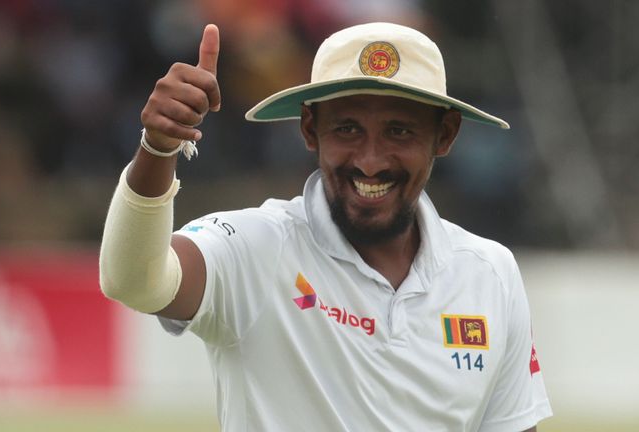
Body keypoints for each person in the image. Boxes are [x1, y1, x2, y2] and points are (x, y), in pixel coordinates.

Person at [99, 22, 552, 431]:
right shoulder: (257, 247)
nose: (371, 161)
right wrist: (157, 149)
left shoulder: (490, 273)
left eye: (399, 132)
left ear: (446, 135)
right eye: (348, 129)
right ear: (310, 129)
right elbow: (134, 281)